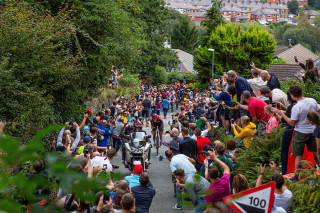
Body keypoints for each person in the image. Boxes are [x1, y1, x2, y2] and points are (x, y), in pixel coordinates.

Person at [274, 85, 320, 181]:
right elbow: (318, 111)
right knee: (316, 152)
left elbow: (292, 123)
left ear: (292, 95)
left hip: (301, 132)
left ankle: (296, 176)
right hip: (312, 130)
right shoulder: (312, 100)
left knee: (298, 154)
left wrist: (282, 114)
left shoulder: (296, 107)